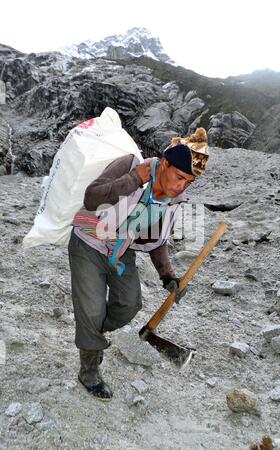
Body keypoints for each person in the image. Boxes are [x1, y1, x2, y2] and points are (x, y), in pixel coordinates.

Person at [68, 127, 209, 401]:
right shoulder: (131, 165)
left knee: (129, 304)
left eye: (188, 182)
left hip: (121, 250)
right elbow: (92, 197)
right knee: (93, 308)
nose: (181, 186)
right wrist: (133, 179)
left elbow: (157, 241)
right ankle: (89, 369)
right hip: (89, 241)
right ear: (165, 163)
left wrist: (168, 276)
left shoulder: (172, 200)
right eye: (179, 177)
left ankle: (92, 331)